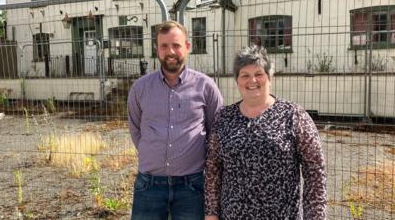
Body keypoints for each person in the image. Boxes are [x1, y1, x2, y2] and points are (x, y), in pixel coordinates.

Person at [204, 46, 326, 220]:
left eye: (259, 74)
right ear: (237, 81)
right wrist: (211, 213)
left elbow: (315, 171)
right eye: (244, 75)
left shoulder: (293, 115)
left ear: (270, 78)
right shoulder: (224, 118)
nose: (252, 80)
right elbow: (213, 169)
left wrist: (315, 217)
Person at [127, 20, 223, 220]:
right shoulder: (140, 88)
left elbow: (216, 131)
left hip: (192, 186)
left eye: (176, 45)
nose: (170, 51)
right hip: (149, 185)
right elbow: (136, 130)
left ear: (187, 47)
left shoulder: (206, 87)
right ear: (157, 50)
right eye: (164, 46)